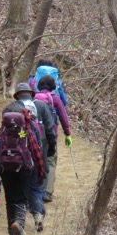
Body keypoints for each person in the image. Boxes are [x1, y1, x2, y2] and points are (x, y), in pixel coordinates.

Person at [0, 97, 46, 235]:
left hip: (5, 168)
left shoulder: (2, 132)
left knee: (9, 199)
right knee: (22, 198)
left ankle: (11, 232)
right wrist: (40, 171)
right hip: (24, 168)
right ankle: (19, 223)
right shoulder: (23, 132)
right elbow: (35, 151)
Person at [10, 83, 55, 232]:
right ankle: (38, 215)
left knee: (20, 189)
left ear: (17, 95)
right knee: (36, 188)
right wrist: (51, 149)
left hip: (17, 158)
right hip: (37, 155)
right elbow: (50, 129)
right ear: (31, 93)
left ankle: (19, 221)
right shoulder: (41, 108)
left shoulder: (11, 108)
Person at [34, 74, 71, 203]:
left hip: (34, 136)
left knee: (35, 161)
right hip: (50, 136)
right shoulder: (55, 99)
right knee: (50, 162)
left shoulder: (33, 99)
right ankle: (47, 192)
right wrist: (67, 134)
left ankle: (34, 191)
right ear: (53, 87)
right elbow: (63, 117)